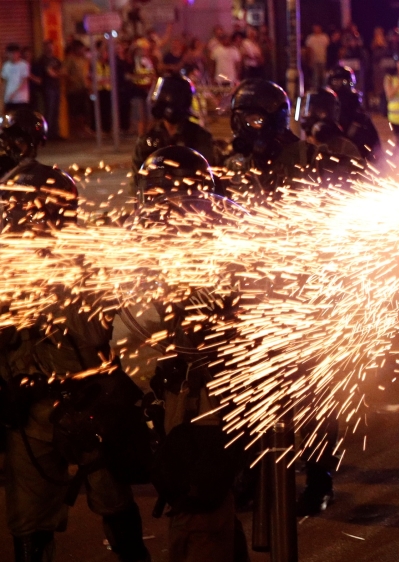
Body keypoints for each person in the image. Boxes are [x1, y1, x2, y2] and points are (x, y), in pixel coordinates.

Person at [1, 163, 152, 562]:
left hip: (86, 410)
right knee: (33, 522)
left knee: (111, 504)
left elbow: (107, 338)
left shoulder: (84, 263)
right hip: (30, 412)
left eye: (20, 205)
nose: (12, 214)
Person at [132, 150, 248, 562]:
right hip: (188, 390)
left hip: (205, 396)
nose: (156, 206)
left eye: (162, 195)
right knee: (207, 507)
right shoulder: (204, 233)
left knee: (199, 504)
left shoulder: (214, 242)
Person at [223, 79, 311, 197]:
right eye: (237, 121)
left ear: (276, 121)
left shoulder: (304, 157)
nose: (242, 128)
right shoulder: (233, 166)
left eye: (255, 120)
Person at [132, 75, 216, 184]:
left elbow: (209, 177)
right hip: (157, 198)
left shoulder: (199, 137)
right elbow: (136, 182)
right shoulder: (148, 141)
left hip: (190, 197)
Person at [0, 109, 47, 177]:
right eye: (9, 139)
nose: (11, 145)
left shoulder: (40, 174)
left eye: (20, 141)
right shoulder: (3, 165)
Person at [32, 42, 61, 140]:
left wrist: (56, 73)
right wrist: (55, 73)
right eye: (48, 47)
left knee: (56, 111)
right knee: (49, 111)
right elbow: (50, 73)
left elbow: (62, 71)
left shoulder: (55, 59)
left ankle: (55, 133)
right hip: (47, 88)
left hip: (56, 87)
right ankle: (47, 134)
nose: (50, 49)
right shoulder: (42, 60)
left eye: (51, 47)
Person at [2, 44, 31, 113]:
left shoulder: (24, 65)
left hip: (21, 98)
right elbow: (5, 82)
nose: (13, 55)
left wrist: (14, 93)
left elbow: (24, 81)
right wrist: (3, 97)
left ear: (19, 54)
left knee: (20, 118)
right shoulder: (6, 66)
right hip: (9, 99)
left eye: (15, 53)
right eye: (10, 53)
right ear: (7, 54)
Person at [305, 25, 330, 92]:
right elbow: (308, 50)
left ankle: (324, 90)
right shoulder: (310, 38)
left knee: (323, 77)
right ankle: (316, 91)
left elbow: (328, 49)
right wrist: (309, 60)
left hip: (323, 60)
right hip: (314, 60)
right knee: (315, 77)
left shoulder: (324, 37)